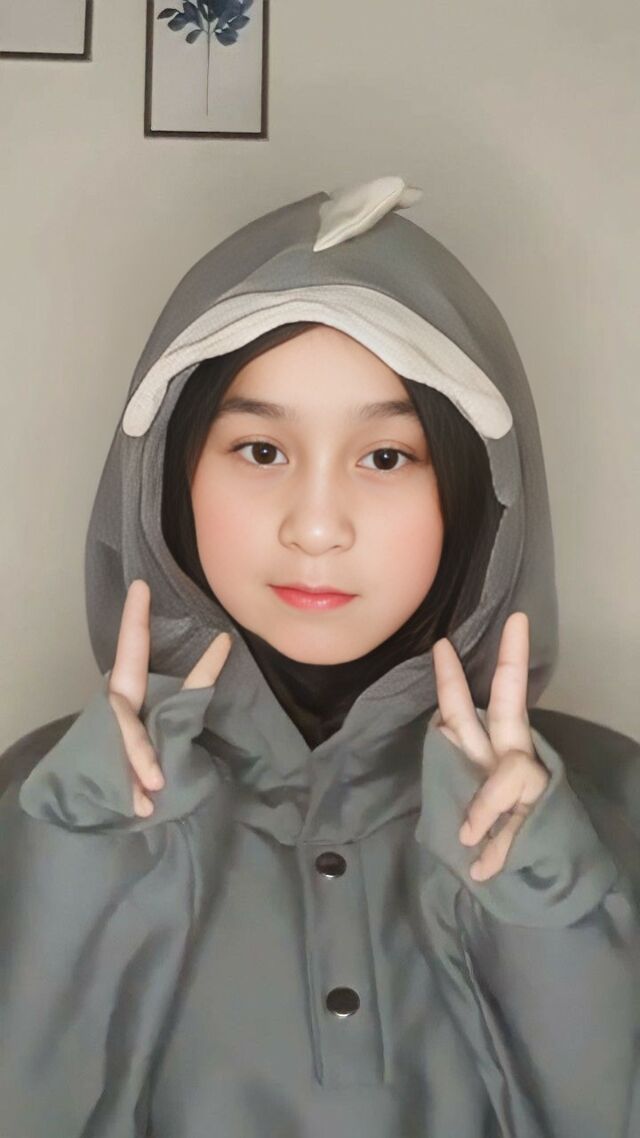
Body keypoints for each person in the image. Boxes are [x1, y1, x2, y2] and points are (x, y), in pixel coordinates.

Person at [0, 175, 638, 1138]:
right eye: (261, 450)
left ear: (477, 496)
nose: (315, 526)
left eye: (386, 457)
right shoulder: (45, 801)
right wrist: (77, 875)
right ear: (169, 476)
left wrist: (547, 907)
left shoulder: (613, 798)